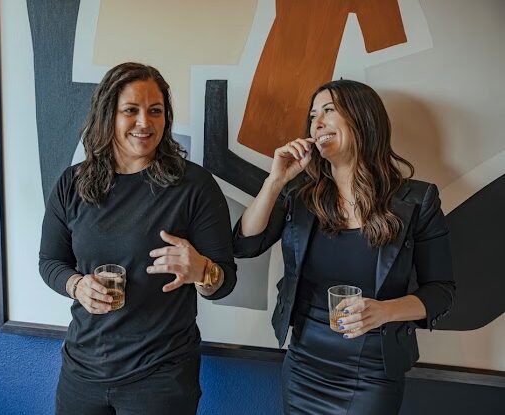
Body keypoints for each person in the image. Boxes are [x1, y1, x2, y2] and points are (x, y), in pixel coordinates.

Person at [233, 80, 455, 414]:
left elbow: (441, 291)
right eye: (312, 116)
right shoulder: (301, 195)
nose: (317, 123)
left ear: (363, 118)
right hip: (303, 365)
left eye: (328, 110)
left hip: (372, 373)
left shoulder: (417, 200)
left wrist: (385, 311)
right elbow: (245, 244)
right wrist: (275, 181)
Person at [39, 62, 236, 415]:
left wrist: (203, 271)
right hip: (82, 370)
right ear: (107, 116)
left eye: (155, 111)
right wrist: (76, 285)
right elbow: (50, 262)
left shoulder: (195, 187)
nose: (145, 123)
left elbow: (224, 281)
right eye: (131, 110)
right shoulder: (73, 183)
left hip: (161, 376)